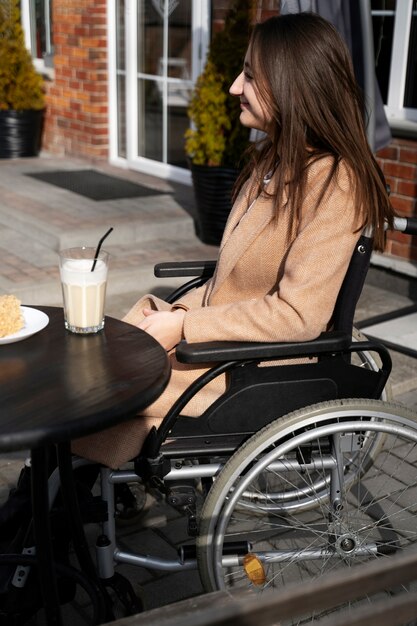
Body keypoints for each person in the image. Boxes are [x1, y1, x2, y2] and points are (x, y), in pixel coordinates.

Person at [0, 12, 394, 522]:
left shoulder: (335, 185)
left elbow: (298, 315)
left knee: (92, 397)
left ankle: (48, 516)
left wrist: (184, 324)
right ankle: (57, 505)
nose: (234, 87)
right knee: (83, 367)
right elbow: (235, 275)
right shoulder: (272, 162)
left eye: (250, 75)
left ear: (294, 85)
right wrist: (175, 316)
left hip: (247, 367)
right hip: (209, 342)